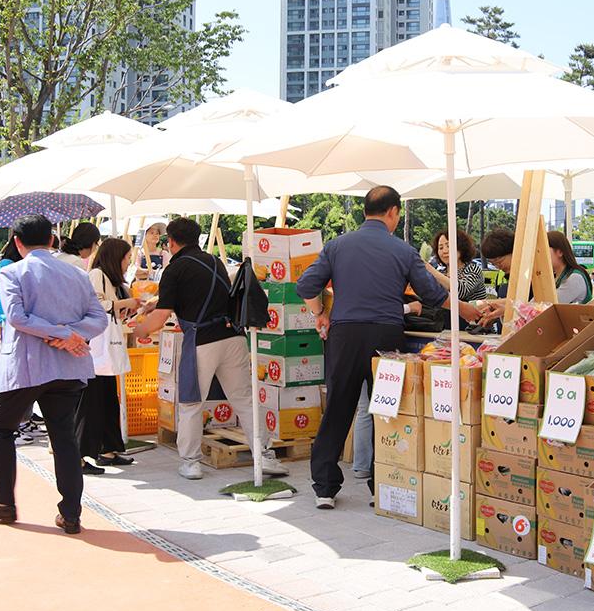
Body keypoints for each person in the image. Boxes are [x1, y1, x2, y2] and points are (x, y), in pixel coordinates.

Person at [296, 186, 483, 509]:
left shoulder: (337, 246)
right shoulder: (402, 250)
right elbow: (432, 294)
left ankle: (325, 487)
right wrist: (466, 309)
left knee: (339, 407)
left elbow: (306, 285)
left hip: (345, 335)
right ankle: (380, 484)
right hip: (386, 336)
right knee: (385, 410)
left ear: (365, 210)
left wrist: (319, 314)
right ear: (393, 212)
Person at [0, 214, 108, 534]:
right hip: (68, 367)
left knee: (1, 429)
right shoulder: (77, 275)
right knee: (64, 438)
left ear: (17, 243)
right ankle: (71, 513)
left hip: (27, 366)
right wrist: (69, 334)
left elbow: (15, 317)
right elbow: (98, 319)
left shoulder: (13, 272)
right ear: (51, 241)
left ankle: (3, 502)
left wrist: (57, 333)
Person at [131, 217, 289, 481]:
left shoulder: (174, 269)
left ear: (171, 241)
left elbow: (160, 318)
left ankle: (191, 462)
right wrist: (157, 303)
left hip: (202, 342)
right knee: (245, 400)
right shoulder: (214, 261)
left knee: (192, 402)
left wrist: (140, 330)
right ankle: (264, 456)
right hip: (233, 338)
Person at [80, 237, 142, 472]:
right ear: (116, 257)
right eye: (126, 258)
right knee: (92, 403)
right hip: (96, 348)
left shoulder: (112, 280)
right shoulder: (97, 275)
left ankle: (107, 450)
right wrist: (126, 302)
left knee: (107, 401)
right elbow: (97, 306)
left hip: (104, 349)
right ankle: (81, 455)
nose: (128, 262)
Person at [425, 229, 489, 304]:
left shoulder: (473, 269)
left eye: (448, 246)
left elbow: (460, 291)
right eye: (441, 248)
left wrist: (429, 268)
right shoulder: (441, 272)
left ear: (461, 248)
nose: (444, 251)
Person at [548, 231, 593, 304]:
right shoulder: (555, 276)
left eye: (544, 249)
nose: (539, 254)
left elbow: (546, 306)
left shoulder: (574, 278)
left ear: (560, 252)